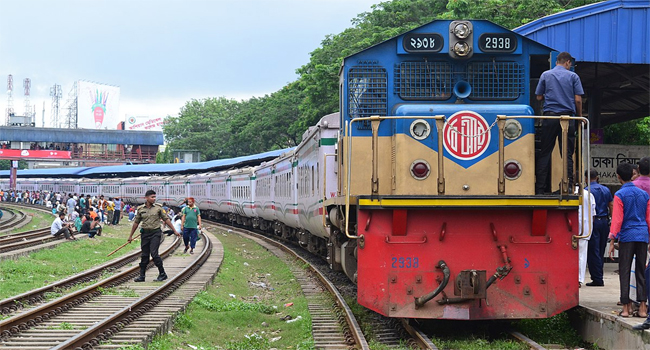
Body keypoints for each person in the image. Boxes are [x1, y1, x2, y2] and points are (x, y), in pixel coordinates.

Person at [534, 51, 584, 194]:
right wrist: (579, 118)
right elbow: (578, 100)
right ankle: (568, 186)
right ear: (568, 62)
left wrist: (549, 96)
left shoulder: (546, 75)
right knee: (567, 153)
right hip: (567, 118)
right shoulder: (573, 76)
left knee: (545, 152)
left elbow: (538, 97)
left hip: (550, 117)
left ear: (557, 62)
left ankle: (540, 188)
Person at [608, 163, 650, 318]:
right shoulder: (644, 195)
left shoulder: (620, 195)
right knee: (641, 271)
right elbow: (648, 218)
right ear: (633, 175)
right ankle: (643, 308)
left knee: (625, 271)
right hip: (642, 235)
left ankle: (626, 308)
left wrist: (612, 239)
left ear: (618, 177)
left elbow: (617, 220)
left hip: (627, 236)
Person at [127, 190, 181, 282]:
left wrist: (174, 231)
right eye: (152, 197)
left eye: (155, 197)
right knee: (144, 255)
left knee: (154, 253)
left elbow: (166, 219)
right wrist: (130, 236)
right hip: (145, 234)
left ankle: (162, 273)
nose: (154, 199)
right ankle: (142, 276)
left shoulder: (158, 208)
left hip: (155, 233)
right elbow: (136, 222)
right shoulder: (140, 209)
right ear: (146, 198)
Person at [585, 170, 614, 287]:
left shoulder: (586, 191)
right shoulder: (605, 190)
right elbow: (611, 204)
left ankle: (597, 278)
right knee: (601, 250)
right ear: (597, 177)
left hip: (593, 222)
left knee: (593, 251)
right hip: (604, 222)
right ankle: (599, 274)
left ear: (586, 178)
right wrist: (611, 220)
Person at [578, 187, 596, 287]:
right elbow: (593, 214)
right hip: (585, 228)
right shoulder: (589, 194)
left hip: (571, 226)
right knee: (582, 255)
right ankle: (579, 279)